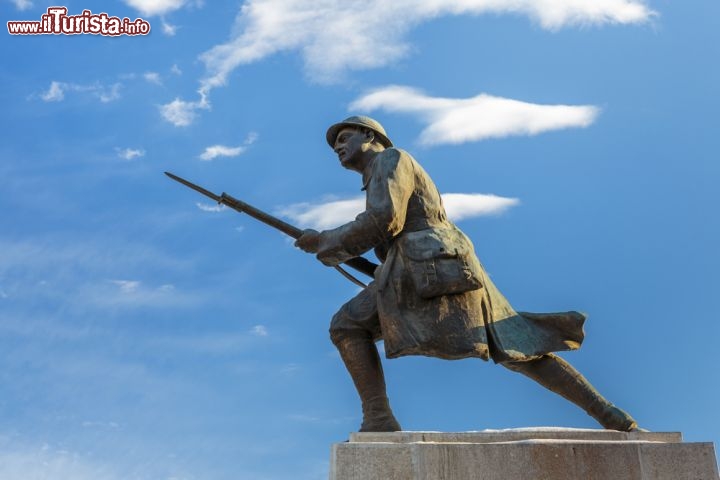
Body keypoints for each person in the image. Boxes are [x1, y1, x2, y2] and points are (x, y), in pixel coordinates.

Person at [295, 116, 638, 433]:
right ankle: (608, 414)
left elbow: (384, 219)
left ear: (369, 135)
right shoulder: (381, 172)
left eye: (344, 137)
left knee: (346, 325)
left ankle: (379, 419)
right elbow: (388, 230)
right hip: (441, 262)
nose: (338, 147)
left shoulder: (390, 159)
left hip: (428, 263)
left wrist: (327, 241)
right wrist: (340, 251)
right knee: (515, 344)